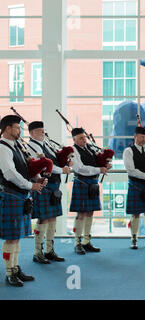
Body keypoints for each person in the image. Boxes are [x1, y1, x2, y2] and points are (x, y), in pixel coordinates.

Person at [0, 115, 47, 287]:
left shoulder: (17, 146)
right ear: (7, 129)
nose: (20, 131)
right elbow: (10, 173)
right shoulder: (3, 148)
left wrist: (38, 178)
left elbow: (27, 167)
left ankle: (15, 267)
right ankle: (9, 272)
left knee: (17, 236)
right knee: (11, 237)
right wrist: (30, 186)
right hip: (11, 195)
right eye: (17, 128)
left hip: (20, 196)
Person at [28, 121, 71, 263]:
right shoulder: (31, 146)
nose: (43, 133)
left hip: (54, 185)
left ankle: (49, 250)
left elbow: (55, 161)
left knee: (53, 218)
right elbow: (45, 166)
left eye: (43, 130)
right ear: (32, 133)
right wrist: (62, 170)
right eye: (40, 131)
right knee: (43, 218)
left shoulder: (46, 144)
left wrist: (66, 161)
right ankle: (37, 252)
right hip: (43, 185)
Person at [69, 128, 111, 255]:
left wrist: (106, 165)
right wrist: (99, 169)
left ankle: (86, 241)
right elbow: (80, 168)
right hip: (82, 183)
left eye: (84, 137)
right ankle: (77, 243)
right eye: (80, 138)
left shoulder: (90, 148)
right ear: (74, 139)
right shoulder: (73, 150)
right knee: (81, 213)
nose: (84, 140)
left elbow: (98, 162)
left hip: (92, 183)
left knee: (90, 213)